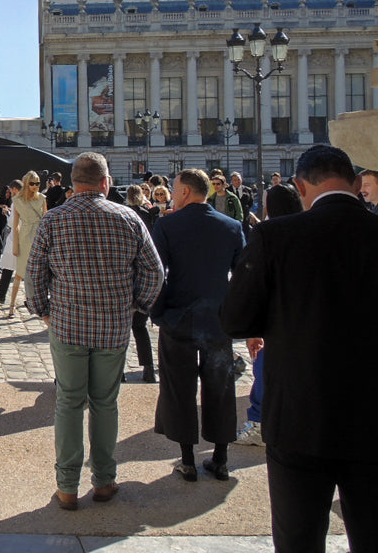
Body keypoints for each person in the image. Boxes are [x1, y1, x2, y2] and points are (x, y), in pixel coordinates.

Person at [222, 145, 378, 553]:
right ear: (356, 183)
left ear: (300, 187)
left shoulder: (276, 236)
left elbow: (235, 318)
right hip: (372, 415)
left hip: (299, 413)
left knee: (298, 540)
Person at [26, 152, 164, 511]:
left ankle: (67, 487)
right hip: (113, 326)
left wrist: (43, 310)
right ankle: (104, 481)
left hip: (67, 325)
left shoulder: (54, 220)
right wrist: (137, 305)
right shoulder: (128, 217)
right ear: (105, 182)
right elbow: (155, 272)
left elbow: (34, 273)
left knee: (69, 402)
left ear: (74, 183)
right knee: (105, 403)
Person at [149, 168, 245, 481]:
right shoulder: (231, 226)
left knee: (179, 387)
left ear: (186, 192)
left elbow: (156, 273)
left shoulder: (167, 224)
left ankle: (188, 459)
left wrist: (157, 312)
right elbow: (243, 275)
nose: (172, 195)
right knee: (221, 387)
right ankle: (220, 458)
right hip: (217, 319)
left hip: (179, 318)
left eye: (175, 189)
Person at [235, 182, 303, 448]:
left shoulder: (266, 234)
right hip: (304, 317)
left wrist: (252, 327)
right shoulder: (311, 231)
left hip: (273, 318)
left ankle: (259, 422)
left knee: (264, 370)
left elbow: (254, 283)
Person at [124, 184, 158, 382]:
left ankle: (119, 372)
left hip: (126, 274)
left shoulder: (124, 215)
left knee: (121, 329)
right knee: (140, 327)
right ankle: (148, 368)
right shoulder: (148, 214)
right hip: (143, 273)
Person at [10, 170, 47, 313]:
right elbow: (15, 225)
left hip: (39, 236)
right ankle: (12, 304)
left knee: (41, 273)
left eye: (38, 183)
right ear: (26, 184)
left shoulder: (42, 198)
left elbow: (46, 220)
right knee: (20, 272)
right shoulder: (17, 200)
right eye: (33, 183)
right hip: (25, 237)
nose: (36, 186)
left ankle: (37, 303)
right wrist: (15, 246)